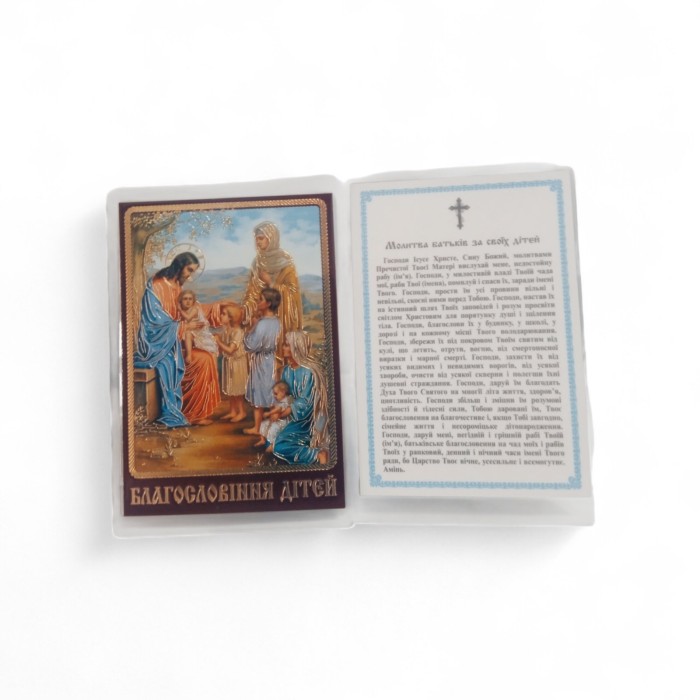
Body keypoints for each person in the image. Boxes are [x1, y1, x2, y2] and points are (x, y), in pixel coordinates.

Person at [134, 252, 202, 427]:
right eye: (189, 270)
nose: (190, 275)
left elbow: (178, 313)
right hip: (154, 339)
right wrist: (182, 327)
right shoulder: (156, 284)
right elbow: (154, 319)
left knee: (198, 359)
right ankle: (170, 413)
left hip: (170, 337)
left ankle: (191, 411)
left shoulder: (177, 285)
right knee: (168, 363)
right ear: (180, 266)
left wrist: (184, 325)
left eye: (193, 271)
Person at [241, 221, 303, 367]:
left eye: (261, 238)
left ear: (272, 238)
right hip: (261, 316)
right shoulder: (257, 263)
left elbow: (292, 293)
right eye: (256, 239)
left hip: (282, 317)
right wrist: (248, 309)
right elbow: (252, 292)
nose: (257, 242)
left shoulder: (285, 261)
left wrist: (271, 283)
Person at [272, 331, 329, 465]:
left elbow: (307, 401)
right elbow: (286, 395)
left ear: (296, 347)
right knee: (272, 440)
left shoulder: (309, 371)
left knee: (279, 445)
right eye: (284, 345)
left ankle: (316, 455)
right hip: (293, 416)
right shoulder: (286, 371)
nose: (283, 348)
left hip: (308, 419)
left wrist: (287, 411)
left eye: (287, 345)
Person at [243, 287, 281, 436]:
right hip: (270, 359)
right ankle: (267, 428)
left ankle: (260, 427)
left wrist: (251, 328)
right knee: (269, 391)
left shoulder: (261, 324)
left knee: (259, 391)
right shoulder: (276, 322)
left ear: (268, 303)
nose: (258, 302)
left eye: (260, 300)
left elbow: (250, 345)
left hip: (261, 361)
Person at [215, 303, 248, 423]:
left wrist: (218, 342)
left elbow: (230, 350)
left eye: (224, 314)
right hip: (229, 363)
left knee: (237, 390)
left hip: (237, 363)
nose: (221, 316)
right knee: (230, 389)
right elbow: (223, 350)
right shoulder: (226, 331)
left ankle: (241, 412)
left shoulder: (237, 332)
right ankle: (233, 411)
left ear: (231, 317)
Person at [178, 290, 218, 363]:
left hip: (199, 333)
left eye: (190, 299)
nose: (188, 301)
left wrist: (180, 310)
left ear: (193, 301)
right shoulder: (183, 311)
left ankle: (189, 355)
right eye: (185, 299)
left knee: (188, 334)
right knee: (187, 333)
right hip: (192, 331)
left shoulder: (194, 309)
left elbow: (188, 318)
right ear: (181, 301)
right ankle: (188, 354)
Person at [253, 381, 292, 450]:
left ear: (283, 392)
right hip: (276, 420)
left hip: (283, 421)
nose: (274, 396)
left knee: (273, 429)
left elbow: (279, 409)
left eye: (276, 394)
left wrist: (269, 413)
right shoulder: (279, 401)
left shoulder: (286, 401)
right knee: (263, 424)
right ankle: (262, 440)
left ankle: (272, 445)